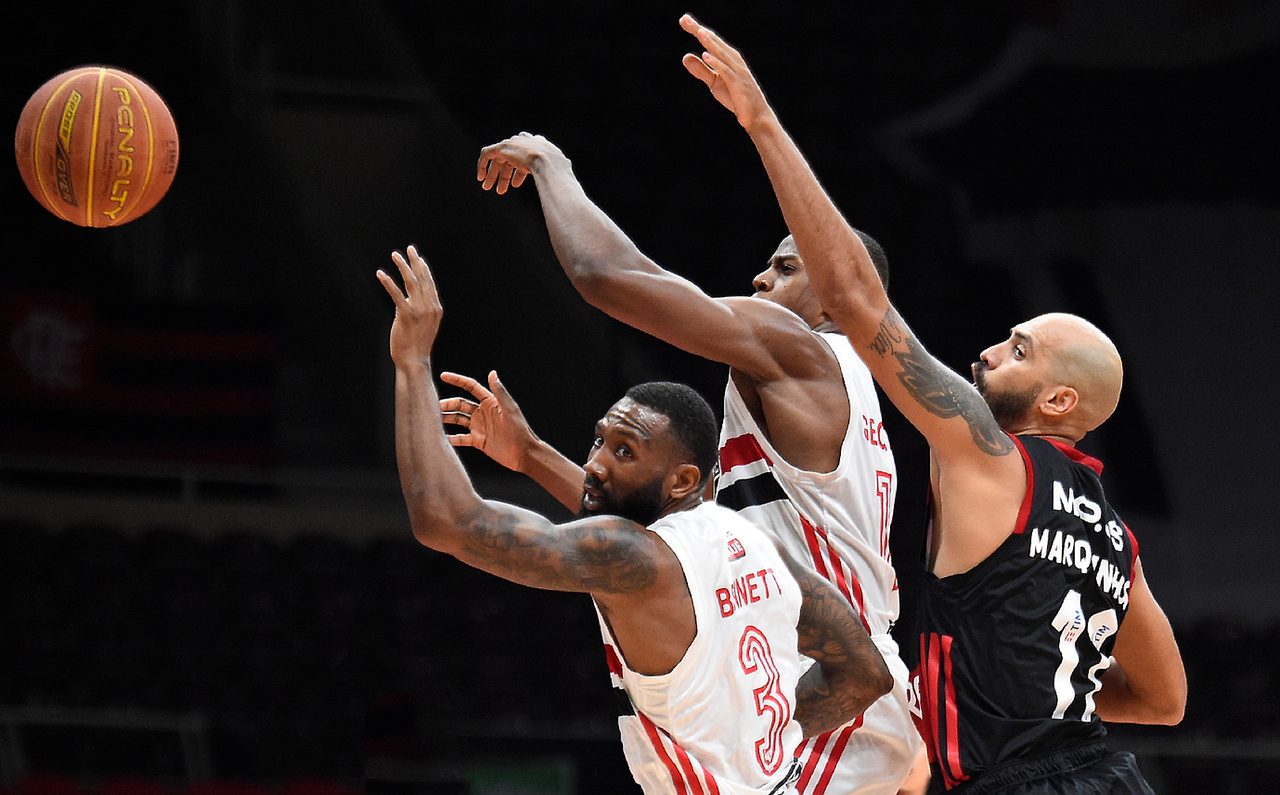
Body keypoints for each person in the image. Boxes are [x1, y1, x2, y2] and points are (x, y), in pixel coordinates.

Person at [673, 13, 1187, 793]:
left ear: (1057, 398)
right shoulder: (1115, 537)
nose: (987, 350)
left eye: (1017, 348)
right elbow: (1165, 698)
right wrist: (1043, 712)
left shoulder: (989, 450)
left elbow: (854, 298)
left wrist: (763, 120)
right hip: (1102, 772)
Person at [469, 139, 923, 791]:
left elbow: (608, 275)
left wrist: (552, 165)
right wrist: (533, 455)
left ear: (838, 298)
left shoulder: (803, 356)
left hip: (830, 683)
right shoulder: (834, 397)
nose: (762, 279)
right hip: (833, 683)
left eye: (787, 268)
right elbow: (675, 551)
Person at [375, 244, 893, 795]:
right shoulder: (754, 542)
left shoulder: (629, 556)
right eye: (600, 439)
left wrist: (413, 364)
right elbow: (866, 675)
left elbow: (445, 521)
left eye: (624, 452)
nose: (595, 462)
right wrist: (529, 455)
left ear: (682, 481)